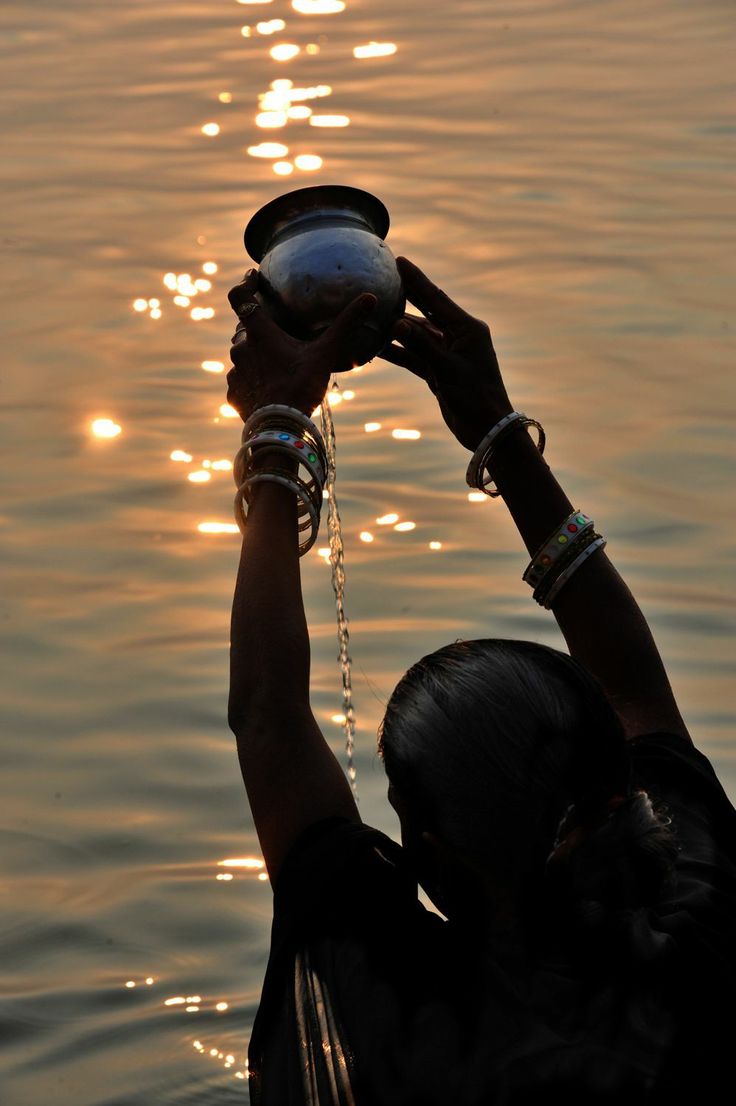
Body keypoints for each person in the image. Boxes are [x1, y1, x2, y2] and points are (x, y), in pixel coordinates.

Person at [225, 258, 736, 1105]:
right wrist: (496, 430)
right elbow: (635, 682)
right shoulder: (702, 907)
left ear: (434, 849)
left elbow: (268, 720)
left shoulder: (405, 1008)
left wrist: (274, 429)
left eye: (405, 811)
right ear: (615, 776)